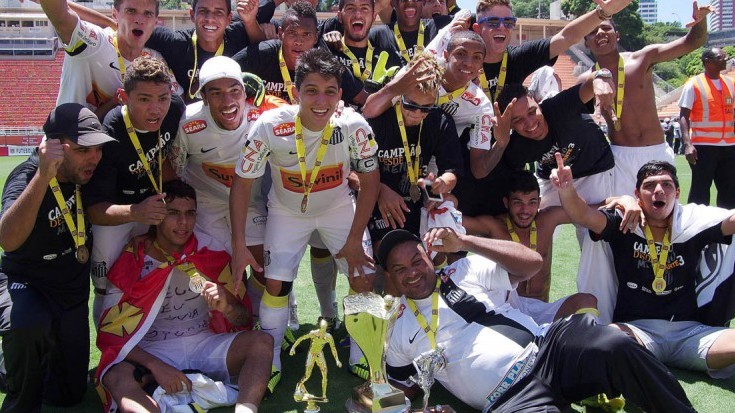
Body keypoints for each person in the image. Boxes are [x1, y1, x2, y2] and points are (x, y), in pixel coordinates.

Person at [380, 227, 696, 412]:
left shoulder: (462, 270)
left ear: (429, 255)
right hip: (510, 398)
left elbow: (531, 263)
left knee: (615, 344)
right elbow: (401, 386)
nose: (412, 273)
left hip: (548, 349)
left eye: (416, 260)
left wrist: (465, 242)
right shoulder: (398, 327)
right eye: (400, 269)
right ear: (390, 277)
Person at [230, 48, 380, 392]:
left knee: (363, 276)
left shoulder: (354, 125)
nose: (321, 101)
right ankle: (270, 360)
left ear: (340, 94)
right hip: (286, 212)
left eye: (330, 91)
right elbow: (242, 183)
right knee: (275, 285)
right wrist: (239, 243)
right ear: (295, 91)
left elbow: (371, 180)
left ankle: (362, 354)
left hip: (337, 208)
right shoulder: (269, 125)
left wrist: (354, 239)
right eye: (311, 91)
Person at [96, 179, 273, 413]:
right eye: (173, 213)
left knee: (261, 342)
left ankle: (246, 410)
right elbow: (111, 336)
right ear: (157, 216)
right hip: (152, 349)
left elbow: (243, 319)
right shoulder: (134, 259)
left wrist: (227, 308)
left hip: (203, 343)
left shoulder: (209, 252)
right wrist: (156, 366)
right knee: (116, 375)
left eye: (190, 213)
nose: (183, 222)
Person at [450, 0, 632, 222]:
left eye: (508, 22)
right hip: (460, 159)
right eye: (494, 22)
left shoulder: (516, 58)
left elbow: (565, 37)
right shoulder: (461, 62)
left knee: (507, 227)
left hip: (501, 158)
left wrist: (602, 13)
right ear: (478, 28)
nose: (502, 27)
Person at [554, 158, 735, 380]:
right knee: (603, 340)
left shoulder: (693, 223)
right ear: (637, 195)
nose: (659, 190)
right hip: (636, 334)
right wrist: (567, 189)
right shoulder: (624, 223)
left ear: (677, 193)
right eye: (649, 185)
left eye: (667, 185)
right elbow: (583, 215)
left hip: (691, 334)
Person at [0, 104, 115, 412]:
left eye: (98, 149)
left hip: (69, 292)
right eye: (82, 150)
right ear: (52, 147)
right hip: (27, 283)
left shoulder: (87, 174)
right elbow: (8, 240)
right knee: (27, 325)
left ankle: (33, 359)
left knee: (68, 395)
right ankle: (12, 378)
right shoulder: (26, 176)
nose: (94, 158)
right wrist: (43, 175)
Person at [169, 56, 283, 324]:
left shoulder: (263, 118)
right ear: (204, 98)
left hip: (251, 203)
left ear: (245, 91)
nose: (228, 101)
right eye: (216, 93)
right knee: (219, 271)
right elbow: (174, 170)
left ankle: (257, 320)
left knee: (265, 268)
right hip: (206, 204)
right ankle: (223, 325)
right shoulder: (187, 123)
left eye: (234, 91)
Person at [85, 56, 186, 324]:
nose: (156, 109)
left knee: (156, 276)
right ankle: (110, 346)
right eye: (144, 99)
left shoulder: (176, 108)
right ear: (123, 97)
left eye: (162, 98)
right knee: (106, 285)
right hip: (114, 211)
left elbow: (163, 157)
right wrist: (136, 212)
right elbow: (94, 210)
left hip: (151, 204)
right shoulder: (109, 132)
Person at [584, 1, 713, 197]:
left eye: (605, 28)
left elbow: (692, 42)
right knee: (625, 212)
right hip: (620, 157)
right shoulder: (585, 80)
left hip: (656, 150)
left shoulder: (643, 58)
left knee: (664, 211)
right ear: (586, 42)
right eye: (593, 31)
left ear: (617, 35)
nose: (600, 33)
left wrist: (700, 21)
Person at [362, 52, 462, 252]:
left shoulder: (440, 120)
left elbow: (452, 171)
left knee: (450, 205)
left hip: (418, 197)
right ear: (400, 95)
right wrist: (379, 190)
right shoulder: (378, 119)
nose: (418, 113)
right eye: (411, 105)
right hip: (375, 198)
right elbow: (350, 172)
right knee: (394, 253)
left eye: (426, 107)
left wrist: (442, 184)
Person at [474, 170, 600, 312]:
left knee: (587, 301)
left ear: (539, 202)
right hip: (506, 310)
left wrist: (617, 201)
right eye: (518, 202)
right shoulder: (493, 225)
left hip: (541, 308)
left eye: (532, 202)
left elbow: (589, 212)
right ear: (506, 202)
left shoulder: (548, 219)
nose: (525, 210)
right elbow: (459, 224)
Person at [40, 0, 179, 119]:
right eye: (131, 11)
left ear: (156, 21)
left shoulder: (156, 61)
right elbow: (61, 17)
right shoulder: (94, 43)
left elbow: (178, 103)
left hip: (113, 141)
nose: (139, 20)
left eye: (147, 14)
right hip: (67, 139)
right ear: (115, 14)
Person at [232, 1, 363, 105]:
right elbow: (224, 73)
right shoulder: (262, 54)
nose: (299, 41)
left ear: (316, 37)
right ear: (280, 34)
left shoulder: (324, 62)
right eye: (292, 33)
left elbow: (362, 98)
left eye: (306, 34)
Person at [679, 47, 735, 209]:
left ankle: (727, 225)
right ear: (707, 62)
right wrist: (687, 144)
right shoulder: (694, 84)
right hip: (703, 147)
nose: (725, 59)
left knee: (730, 191)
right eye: (720, 57)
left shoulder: (731, 83)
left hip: (729, 146)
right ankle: (696, 224)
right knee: (700, 191)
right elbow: (683, 115)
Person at [289, 319, 342, 400]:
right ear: (319, 327)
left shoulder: (328, 337)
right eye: (322, 328)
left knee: (324, 374)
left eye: (324, 328)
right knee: (307, 375)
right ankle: (299, 385)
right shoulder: (313, 333)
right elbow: (301, 338)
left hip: (319, 354)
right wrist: (293, 348)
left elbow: (333, 348)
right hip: (311, 354)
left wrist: (337, 360)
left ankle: (324, 395)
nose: (323, 331)